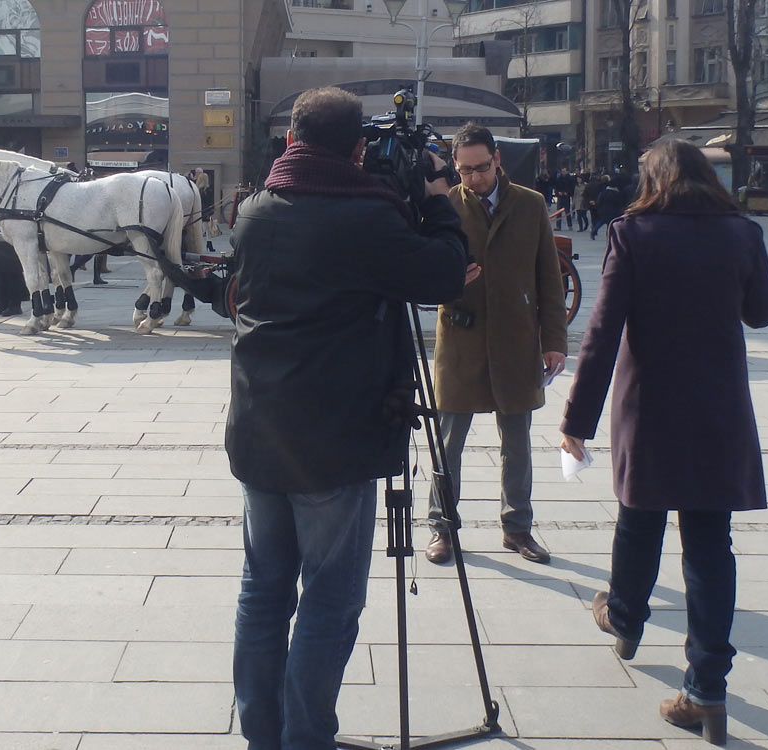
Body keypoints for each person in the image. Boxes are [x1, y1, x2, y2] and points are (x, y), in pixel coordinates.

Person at [225, 86, 470, 750]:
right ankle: (307, 740)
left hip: (257, 431)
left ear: (293, 143)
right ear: (357, 150)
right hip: (330, 443)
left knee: (264, 591)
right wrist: (438, 201)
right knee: (330, 601)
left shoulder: (254, 209)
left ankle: (263, 736)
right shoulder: (367, 218)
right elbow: (446, 274)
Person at [560, 139, 768, 746]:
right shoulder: (742, 232)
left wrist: (576, 419)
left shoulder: (635, 233)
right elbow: (763, 312)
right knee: (711, 544)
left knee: (638, 519)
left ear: (651, 177)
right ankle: (706, 686)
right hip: (717, 408)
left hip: (649, 405)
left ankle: (625, 617)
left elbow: (602, 331)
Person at [424, 123, 567, 566]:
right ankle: (442, 527)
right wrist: (444, 280)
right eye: (464, 170)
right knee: (448, 441)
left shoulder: (530, 205)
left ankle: (517, 528)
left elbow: (549, 276)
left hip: (515, 339)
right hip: (461, 341)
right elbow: (420, 276)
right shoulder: (444, 207)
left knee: (517, 441)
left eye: (480, 168)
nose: (473, 178)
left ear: (497, 159)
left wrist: (554, 341)